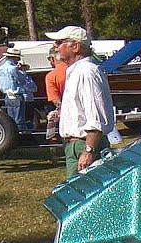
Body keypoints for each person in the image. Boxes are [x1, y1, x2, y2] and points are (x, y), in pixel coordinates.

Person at [48, 25, 115, 179]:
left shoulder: (87, 72)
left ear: (76, 46)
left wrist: (88, 151)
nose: (55, 46)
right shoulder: (76, 71)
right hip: (76, 146)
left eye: (59, 42)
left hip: (84, 145)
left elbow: (96, 116)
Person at [0, 47, 31, 130]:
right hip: (16, 93)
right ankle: (21, 134)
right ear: (14, 58)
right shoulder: (13, 68)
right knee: (19, 117)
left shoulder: (1, 68)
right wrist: (22, 71)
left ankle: (13, 132)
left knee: (10, 117)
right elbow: (23, 81)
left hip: (7, 94)